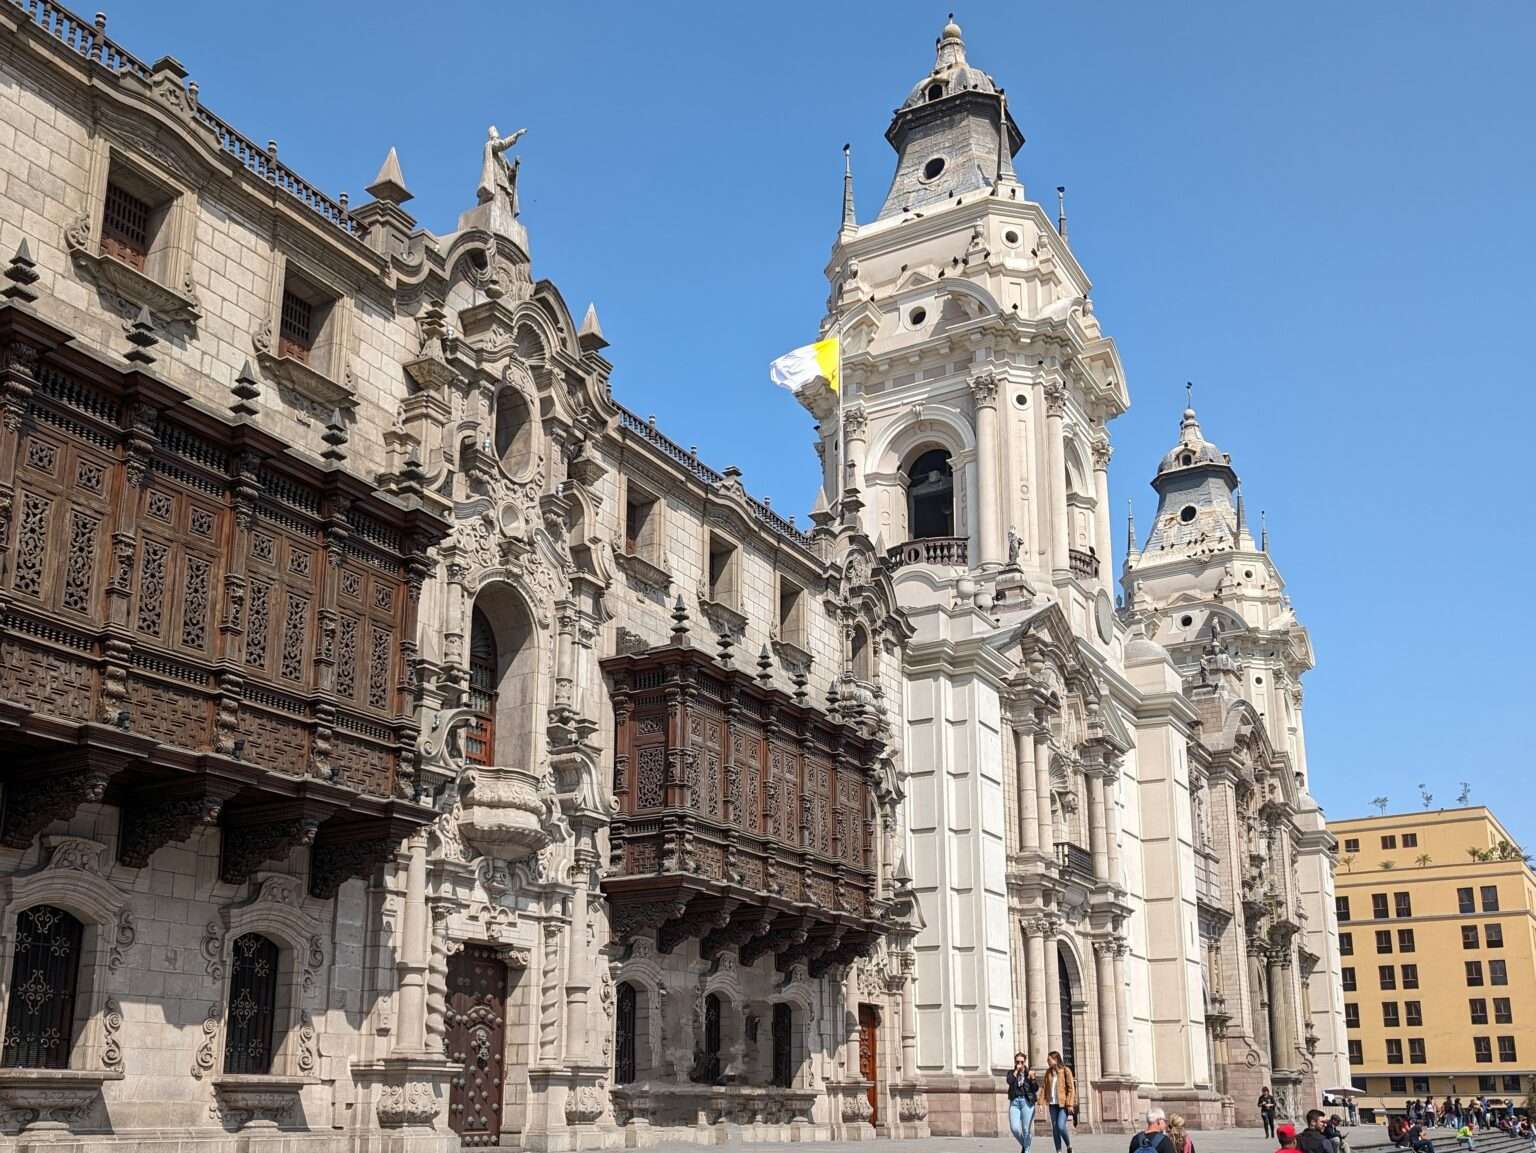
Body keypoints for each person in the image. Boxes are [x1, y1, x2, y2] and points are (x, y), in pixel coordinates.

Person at [1038, 1050, 1076, 1153]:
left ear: (1055, 1059)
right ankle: (1058, 1151)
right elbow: (1044, 1087)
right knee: (1055, 1128)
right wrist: (1040, 1103)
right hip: (1052, 1104)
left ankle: (1069, 1145)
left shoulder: (1065, 1070)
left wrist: (1069, 1104)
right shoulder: (1048, 1072)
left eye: (1049, 1059)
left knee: (1060, 1126)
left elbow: (1071, 1088)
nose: (1047, 1061)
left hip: (1063, 1104)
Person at [1007, 1051, 1040, 1153]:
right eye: (1017, 1062)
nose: (1019, 1064)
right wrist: (1016, 1072)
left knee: (1026, 1130)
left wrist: (1033, 1079)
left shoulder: (1029, 1073)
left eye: (1021, 1062)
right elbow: (1010, 1082)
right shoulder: (1011, 1073)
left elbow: (1035, 1089)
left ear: (1025, 1062)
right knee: (1015, 1128)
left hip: (1027, 1102)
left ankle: (1026, 1150)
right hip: (1015, 1102)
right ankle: (1026, 1145)